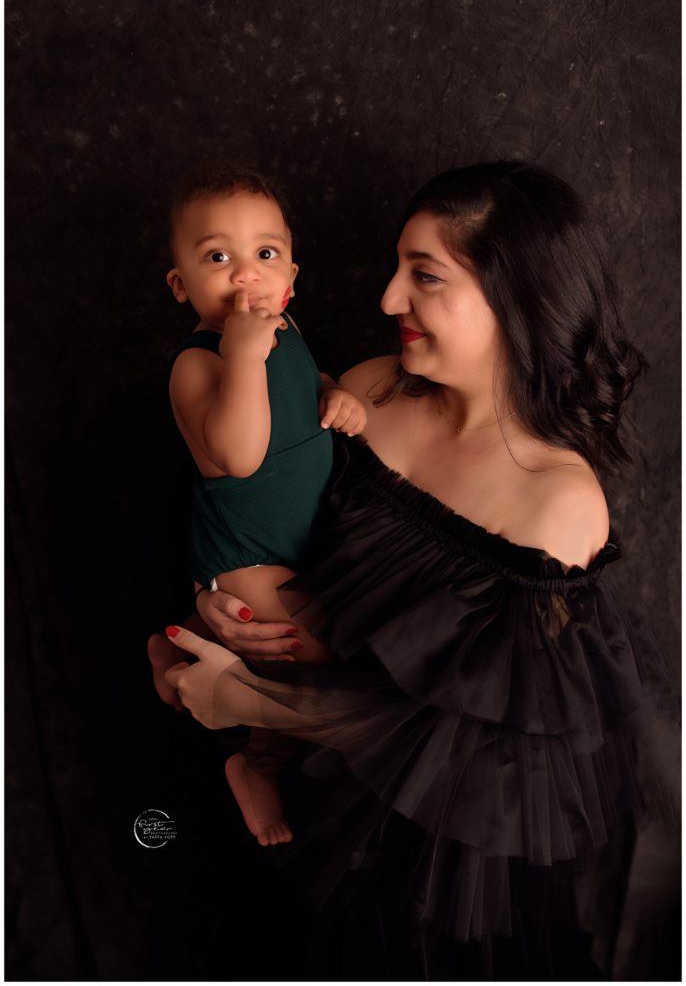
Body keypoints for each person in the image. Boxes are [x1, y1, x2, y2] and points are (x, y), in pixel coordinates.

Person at [158, 161, 677, 979]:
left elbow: (481, 751)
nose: (388, 299)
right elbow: (265, 521)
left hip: (419, 873)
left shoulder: (557, 506)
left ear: (512, 295)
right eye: (398, 269)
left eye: (423, 276)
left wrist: (249, 700)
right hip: (290, 815)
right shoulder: (368, 390)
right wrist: (214, 602)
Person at [147, 163, 367, 847]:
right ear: (181, 285)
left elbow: (302, 382)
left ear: (291, 275)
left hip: (301, 541)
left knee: (297, 656)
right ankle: (256, 761)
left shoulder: (287, 326)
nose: (246, 274)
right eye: (219, 257)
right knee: (309, 655)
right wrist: (242, 358)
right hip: (249, 553)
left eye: (264, 255)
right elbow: (238, 454)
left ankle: (177, 647)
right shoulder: (200, 363)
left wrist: (335, 392)